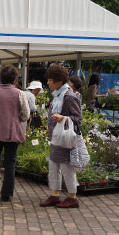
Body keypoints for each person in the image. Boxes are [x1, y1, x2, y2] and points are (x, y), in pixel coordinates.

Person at [0, 66, 29, 201]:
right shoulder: (20, 93)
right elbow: (25, 114)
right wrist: (15, 118)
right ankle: (6, 192)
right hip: (12, 131)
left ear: (0, 78)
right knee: (10, 162)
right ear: (15, 79)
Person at [40, 64, 82, 209]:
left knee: (66, 167)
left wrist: (63, 117)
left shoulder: (69, 96)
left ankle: (72, 197)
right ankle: (55, 194)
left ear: (58, 80)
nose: (48, 83)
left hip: (64, 139)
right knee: (53, 166)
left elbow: (78, 118)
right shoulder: (58, 94)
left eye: (50, 80)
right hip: (56, 138)